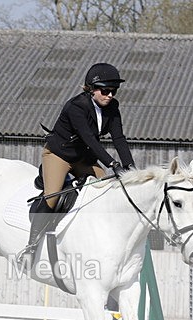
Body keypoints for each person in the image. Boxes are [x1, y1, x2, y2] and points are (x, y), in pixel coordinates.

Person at [26, 62, 136, 252]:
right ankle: (31, 245)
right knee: (52, 197)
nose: (110, 95)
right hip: (59, 155)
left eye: (114, 91)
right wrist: (112, 164)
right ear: (92, 89)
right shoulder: (76, 107)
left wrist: (130, 167)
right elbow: (90, 139)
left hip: (82, 158)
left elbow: (118, 138)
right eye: (105, 90)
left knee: (105, 189)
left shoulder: (113, 107)